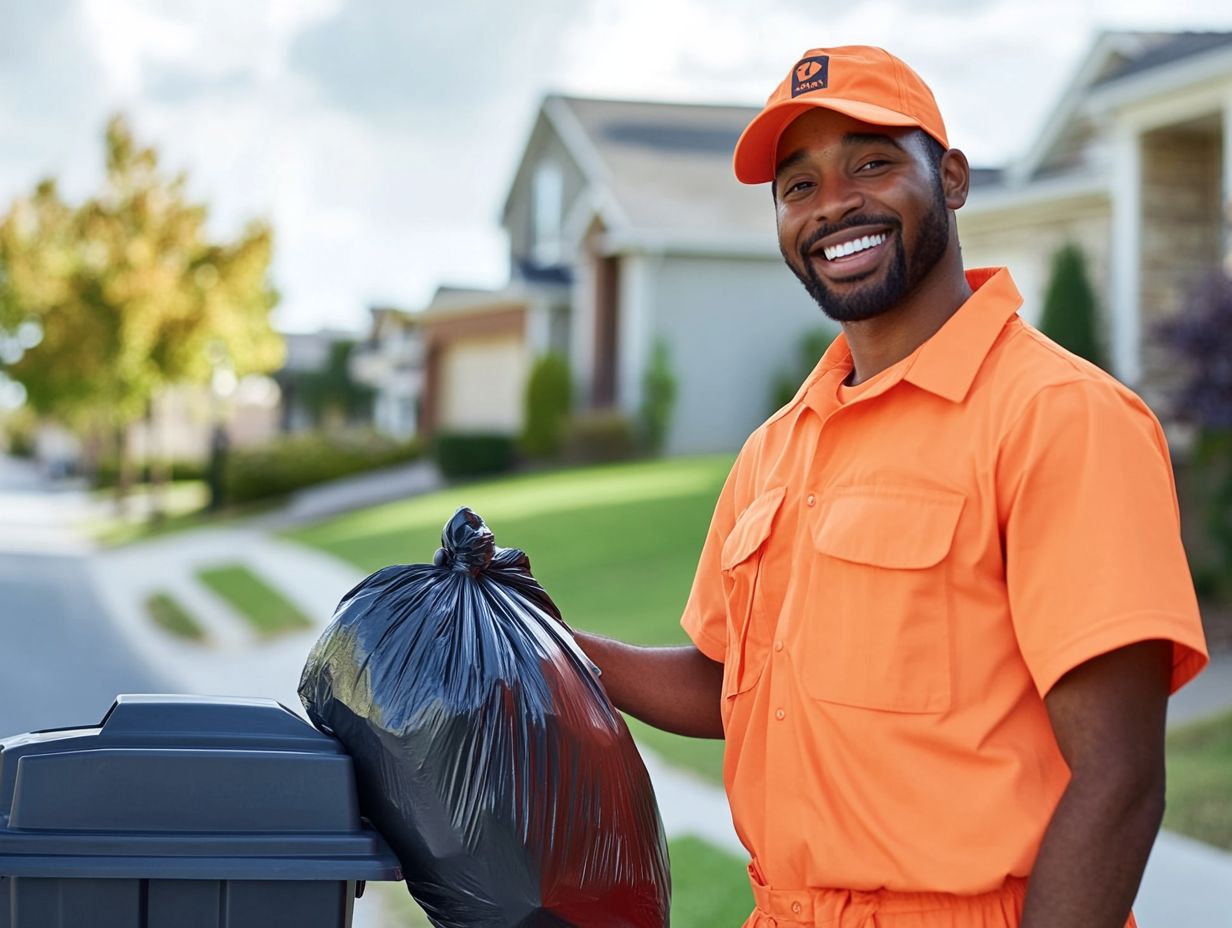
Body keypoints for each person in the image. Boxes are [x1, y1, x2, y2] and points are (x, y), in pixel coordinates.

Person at [569, 45, 1210, 928]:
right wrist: (545, 639)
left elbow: (1119, 777)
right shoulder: (776, 448)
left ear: (950, 178)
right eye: (799, 187)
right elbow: (729, 684)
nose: (834, 205)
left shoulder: (1060, 417)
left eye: (872, 163)